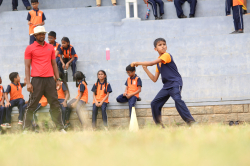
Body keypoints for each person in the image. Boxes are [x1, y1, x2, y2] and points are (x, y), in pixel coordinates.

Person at [131, 38, 196, 128]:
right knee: (154, 103)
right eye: (160, 45)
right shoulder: (159, 63)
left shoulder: (166, 55)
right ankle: (159, 127)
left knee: (177, 99)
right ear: (155, 49)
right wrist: (145, 69)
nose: (162, 46)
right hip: (166, 86)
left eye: (164, 44)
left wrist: (137, 62)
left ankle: (191, 123)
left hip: (175, 83)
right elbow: (154, 79)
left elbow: (151, 63)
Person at [24, 26, 65, 132]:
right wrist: (28, 82)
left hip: (50, 80)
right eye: (39, 34)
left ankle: (60, 128)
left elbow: (54, 64)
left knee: (55, 104)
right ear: (35, 35)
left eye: (43, 33)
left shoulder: (50, 47)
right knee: (32, 105)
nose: (42, 35)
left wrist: (58, 79)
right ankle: (26, 129)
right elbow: (27, 66)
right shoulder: (29, 48)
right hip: (37, 80)